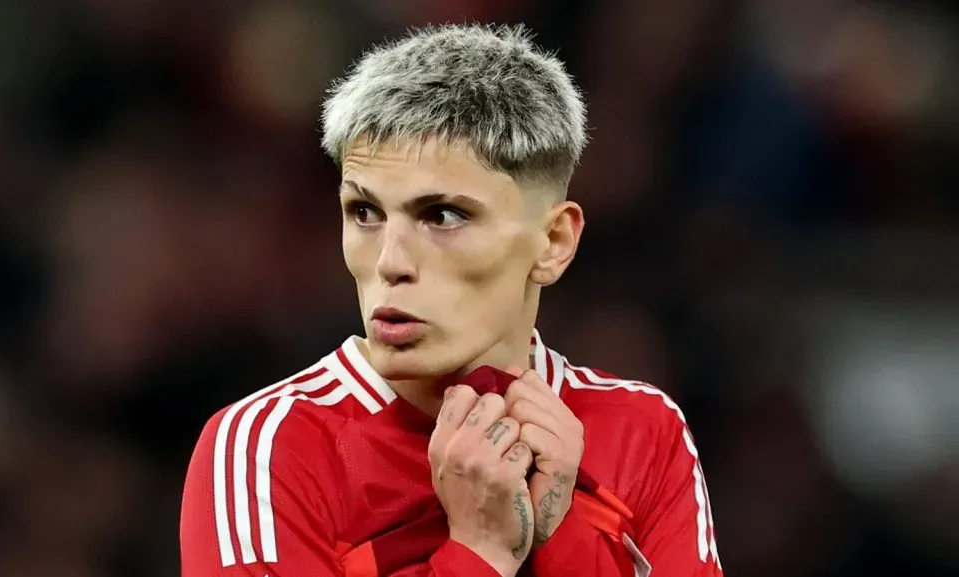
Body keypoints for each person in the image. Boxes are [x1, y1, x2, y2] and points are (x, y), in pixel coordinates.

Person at [180, 23, 723, 577]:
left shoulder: (642, 431)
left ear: (553, 242)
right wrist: (480, 552)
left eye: (442, 215)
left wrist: (565, 536)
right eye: (364, 212)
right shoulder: (268, 449)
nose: (391, 261)